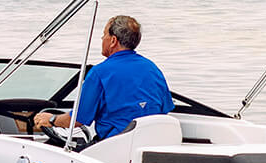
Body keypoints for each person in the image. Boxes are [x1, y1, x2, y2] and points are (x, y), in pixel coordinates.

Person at [34, 14, 171, 141]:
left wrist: (51, 119)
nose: (101, 39)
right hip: (151, 143)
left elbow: (77, 120)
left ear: (113, 40)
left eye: (104, 34)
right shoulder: (153, 69)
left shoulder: (99, 73)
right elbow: (164, 109)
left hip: (115, 147)